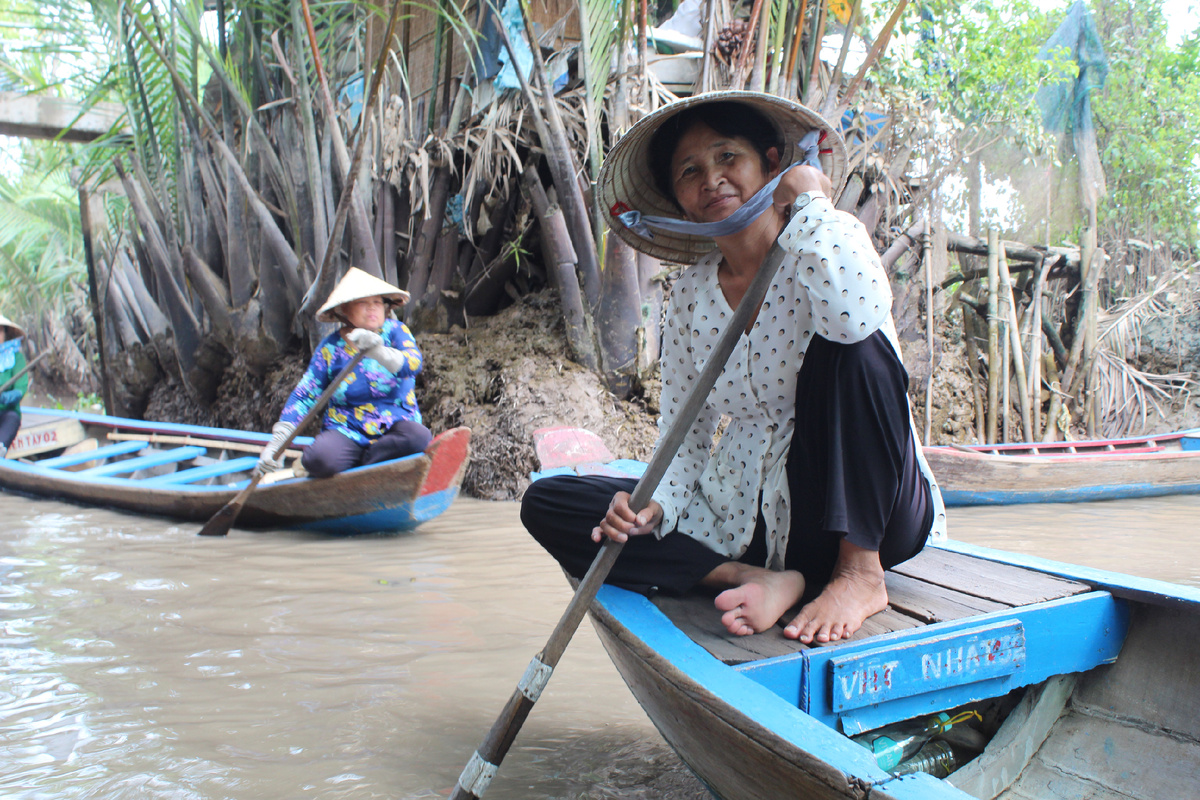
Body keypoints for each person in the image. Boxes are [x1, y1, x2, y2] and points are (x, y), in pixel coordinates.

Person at [521, 92, 947, 645]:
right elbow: (684, 434)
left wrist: (812, 204)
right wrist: (655, 504)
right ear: (678, 197)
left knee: (852, 347)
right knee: (551, 500)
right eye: (690, 171)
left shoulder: (824, 242)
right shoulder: (692, 295)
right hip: (754, 522)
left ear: (772, 164)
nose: (712, 179)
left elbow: (859, 321)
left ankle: (857, 575)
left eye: (728, 158)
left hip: (865, 516)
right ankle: (758, 578)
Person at [257, 267, 432, 479]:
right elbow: (305, 396)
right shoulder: (330, 348)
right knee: (318, 459)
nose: (372, 309)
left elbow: (413, 364)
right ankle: (354, 463)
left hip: (395, 428)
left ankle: (364, 464)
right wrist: (277, 443)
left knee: (419, 438)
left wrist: (378, 351)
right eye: (362, 303)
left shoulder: (396, 331)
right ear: (345, 311)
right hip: (347, 430)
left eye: (377, 302)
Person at [0, 314, 28, 458]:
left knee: (12, 418)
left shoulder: (16, 358)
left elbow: (21, 387)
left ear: (5, 334)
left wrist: (8, 397)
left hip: (6, 413)